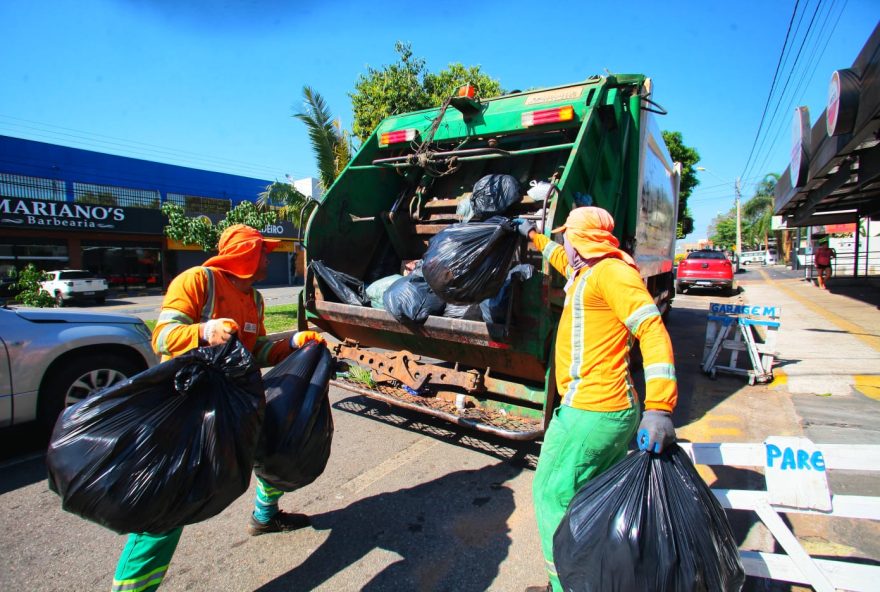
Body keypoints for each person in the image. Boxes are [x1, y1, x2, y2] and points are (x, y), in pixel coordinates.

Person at [111, 224, 325, 592]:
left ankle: (265, 516)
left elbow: (253, 351)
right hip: (186, 408)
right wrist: (204, 331)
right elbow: (162, 336)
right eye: (262, 251)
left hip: (233, 401)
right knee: (168, 504)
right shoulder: (197, 281)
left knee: (275, 447)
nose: (267, 258)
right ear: (243, 254)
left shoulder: (253, 299)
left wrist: (291, 343)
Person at [516, 208, 678, 592]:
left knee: (551, 494)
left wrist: (660, 407)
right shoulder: (588, 270)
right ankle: (592, 578)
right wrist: (534, 237)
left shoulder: (612, 274)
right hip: (604, 410)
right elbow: (560, 258)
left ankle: (564, 585)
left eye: (567, 235)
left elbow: (652, 330)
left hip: (592, 411)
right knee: (591, 500)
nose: (565, 242)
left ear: (581, 238)